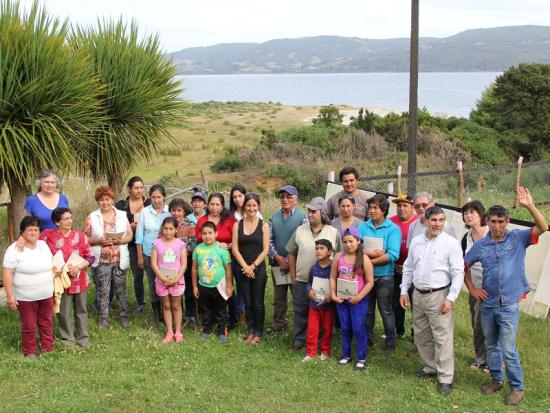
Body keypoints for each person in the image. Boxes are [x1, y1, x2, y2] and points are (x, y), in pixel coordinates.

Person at [465, 187, 547, 406]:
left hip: (509, 305)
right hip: (488, 304)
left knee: (508, 349)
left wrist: (529, 205)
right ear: (487, 221)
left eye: (501, 222)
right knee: (491, 345)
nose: (497, 227)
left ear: (507, 221)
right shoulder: (481, 245)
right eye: (493, 222)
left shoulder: (518, 238)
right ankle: (496, 379)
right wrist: (473, 289)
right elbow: (464, 266)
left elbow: (543, 227)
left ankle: (517, 387)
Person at [400, 206, 464, 396]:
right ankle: (430, 368)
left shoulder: (451, 243)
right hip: (418, 294)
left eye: (441, 220)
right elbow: (408, 267)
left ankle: (445, 378)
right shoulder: (417, 242)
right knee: (421, 334)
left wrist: (450, 298)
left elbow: (458, 272)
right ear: (426, 220)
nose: (438, 224)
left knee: (442, 337)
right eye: (434, 220)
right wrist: (404, 291)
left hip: (439, 295)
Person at [286, 197, 342, 352]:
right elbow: (291, 253)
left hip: (326, 282)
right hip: (302, 279)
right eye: (309, 211)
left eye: (313, 211)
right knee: (300, 310)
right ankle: (299, 339)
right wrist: (292, 275)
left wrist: (336, 281)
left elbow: (340, 256)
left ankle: (321, 341)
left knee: (323, 312)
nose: (309, 214)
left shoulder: (332, 232)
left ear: (322, 213)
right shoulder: (300, 230)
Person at [40, 207, 94, 347]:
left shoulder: (80, 236)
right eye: (65, 219)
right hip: (60, 281)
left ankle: (83, 338)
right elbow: (35, 246)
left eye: (70, 218)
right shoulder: (47, 236)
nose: (69, 221)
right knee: (63, 311)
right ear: (57, 222)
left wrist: (79, 266)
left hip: (79, 279)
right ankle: (67, 339)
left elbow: (91, 257)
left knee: (81, 310)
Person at [3, 216, 55, 358]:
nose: (33, 233)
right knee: (29, 324)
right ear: (22, 232)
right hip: (25, 296)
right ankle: (30, 351)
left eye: (36, 229)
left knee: (46, 321)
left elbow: (52, 264)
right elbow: (7, 274)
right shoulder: (14, 249)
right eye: (30, 230)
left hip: (46, 293)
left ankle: (48, 348)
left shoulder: (43, 246)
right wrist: (10, 296)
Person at [358, 194, 401, 354]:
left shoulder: (393, 229)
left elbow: (392, 254)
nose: (372, 210)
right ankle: (368, 338)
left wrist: (368, 262)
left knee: (386, 310)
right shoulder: (363, 227)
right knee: (367, 309)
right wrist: (373, 254)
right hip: (365, 276)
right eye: (370, 208)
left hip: (384, 277)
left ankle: (390, 341)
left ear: (384, 210)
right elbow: (357, 248)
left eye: (375, 208)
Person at [86, 186, 133, 328]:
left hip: (119, 258)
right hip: (102, 260)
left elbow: (129, 235)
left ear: (112, 200)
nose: (104, 202)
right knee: (103, 289)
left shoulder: (121, 215)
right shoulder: (92, 217)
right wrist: (99, 241)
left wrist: (120, 241)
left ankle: (124, 315)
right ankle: (103, 318)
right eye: (101, 200)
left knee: (121, 289)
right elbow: (85, 239)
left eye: (107, 199)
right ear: (98, 201)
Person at [330, 227, 374, 371]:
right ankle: (346, 355)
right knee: (345, 327)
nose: (348, 245)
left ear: (358, 241)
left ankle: (361, 358)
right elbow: (332, 277)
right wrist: (333, 294)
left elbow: (370, 282)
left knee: (358, 328)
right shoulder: (338, 257)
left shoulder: (364, 259)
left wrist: (359, 297)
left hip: (358, 301)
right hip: (342, 300)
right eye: (345, 242)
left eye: (351, 241)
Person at [266, 185, 307, 334]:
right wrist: (276, 256)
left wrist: (291, 261)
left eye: (289, 197)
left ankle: (300, 324)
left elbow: (303, 242)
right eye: (282, 197)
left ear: (296, 199)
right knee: (279, 297)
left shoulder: (303, 217)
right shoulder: (273, 217)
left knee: (298, 296)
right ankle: (279, 322)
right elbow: (269, 240)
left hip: (296, 265)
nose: (285, 200)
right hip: (278, 264)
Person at [232, 193, 269, 345]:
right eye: (248, 205)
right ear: (244, 207)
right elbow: (235, 249)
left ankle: (258, 332)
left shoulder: (264, 225)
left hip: (258, 269)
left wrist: (252, 266)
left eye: (254, 205)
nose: (251, 208)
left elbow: (266, 249)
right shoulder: (237, 225)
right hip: (242, 268)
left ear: (258, 206)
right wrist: (245, 267)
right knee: (247, 302)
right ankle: (251, 330)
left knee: (258, 302)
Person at [115, 176, 151, 316]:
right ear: (129, 189)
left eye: (141, 187)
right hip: (126, 244)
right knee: (127, 274)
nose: (139, 190)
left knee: (141, 274)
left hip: (144, 244)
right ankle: (126, 301)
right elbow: (115, 224)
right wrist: (129, 226)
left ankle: (143, 303)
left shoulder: (148, 203)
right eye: (136, 188)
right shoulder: (121, 205)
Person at [192, 221, 234, 343]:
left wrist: (229, 285)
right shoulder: (198, 249)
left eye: (210, 233)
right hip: (203, 286)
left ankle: (223, 331)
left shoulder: (221, 249)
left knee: (221, 310)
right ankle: (206, 329)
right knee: (205, 309)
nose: (207, 236)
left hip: (219, 286)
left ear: (216, 233)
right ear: (201, 235)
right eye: (204, 233)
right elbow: (194, 268)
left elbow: (228, 269)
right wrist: (195, 286)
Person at [460, 200, 489, 372]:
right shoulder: (466, 238)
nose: (468, 215)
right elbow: (463, 266)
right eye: (466, 213)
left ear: (481, 214)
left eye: (472, 212)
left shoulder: (492, 233)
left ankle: (494, 363)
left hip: (494, 290)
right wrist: (472, 289)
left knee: (493, 327)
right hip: (475, 289)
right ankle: (480, 358)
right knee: (477, 324)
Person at [135, 184, 171, 323]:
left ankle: (166, 309)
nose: (156, 200)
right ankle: (157, 314)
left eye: (159, 197)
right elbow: (139, 235)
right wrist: (139, 256)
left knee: (166, 281)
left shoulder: (169, 212)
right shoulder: (144, 212)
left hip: (167, 255)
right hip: (149, 254)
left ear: (164, 197)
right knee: (153, 283)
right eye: (153, 197)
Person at [151, 217, 187, 344]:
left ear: (176, 230)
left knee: (176, 306)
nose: (168, 231)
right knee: (166, 306)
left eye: (171, 229)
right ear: (162, 229)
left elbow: (184, 264)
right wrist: (161, 277)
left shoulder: (181, 244)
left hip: (177, 280)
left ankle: (178, 331)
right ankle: (169, 331)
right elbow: (154, 263)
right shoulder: (156, 243)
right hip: (162, 280)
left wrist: (177, 278)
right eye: (165, 228)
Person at [389, 193, 418, 339]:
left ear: (413, 207)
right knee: (396, 301)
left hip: (414, 272)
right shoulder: (391, 222)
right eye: (399, 205)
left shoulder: (418, 223)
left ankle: (416, 333)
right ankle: (398, 330)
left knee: (416, 303)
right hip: (394, 268)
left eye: (405, 205)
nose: (401, 208)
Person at [302, 239, 336, 362]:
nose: (318, 251)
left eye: (322, 248)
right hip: (314, 305)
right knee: (312, 329)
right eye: (317, 248)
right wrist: (309, 290)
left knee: (327, 329)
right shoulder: (313, 268)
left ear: (330, 252)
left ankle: (325, 351)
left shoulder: (334, 268)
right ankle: (311, 352)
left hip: (328, 306)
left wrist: (332, 295)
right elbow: (309, 283)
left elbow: (337, 285)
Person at [169, 198, 199, 329]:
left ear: (184, 211)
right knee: (175, 290)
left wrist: (177, 254)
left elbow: (192, 245)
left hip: (186, 264)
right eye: (173, 210)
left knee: (187, 290)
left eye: (179, 210)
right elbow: (161, 242)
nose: (176, 213)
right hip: (170, 265)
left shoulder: (191, 225)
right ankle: (177, 315)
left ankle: (191, 316)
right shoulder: (167, 224)